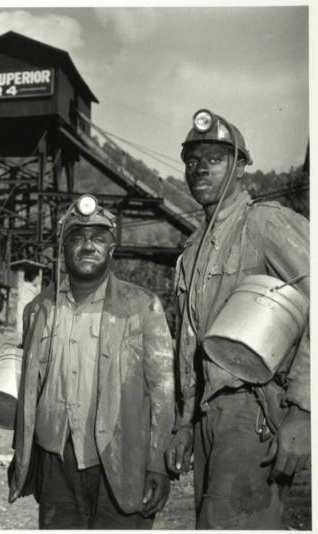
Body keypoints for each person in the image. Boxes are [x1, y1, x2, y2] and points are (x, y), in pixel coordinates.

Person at [165, 109, 310, 529]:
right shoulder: (191, 252)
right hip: (210, 419)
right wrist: (185, 423)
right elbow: (191, 347)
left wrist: (304, 410)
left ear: (241, 166)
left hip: (255, 411)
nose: (200, 169)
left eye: (215, 158)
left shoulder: (265, 224)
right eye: (193, 160)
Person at [7, 195, 175, 529]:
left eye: (98, 239)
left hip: (122, 456)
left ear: (111, 250)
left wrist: (158, 463)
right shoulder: (38, 310)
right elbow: (29, 391)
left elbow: (163, 393)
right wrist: (22, 453)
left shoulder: (142, 307)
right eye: (77, 238)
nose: (88, 246)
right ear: (63, 248)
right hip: (57, 461)